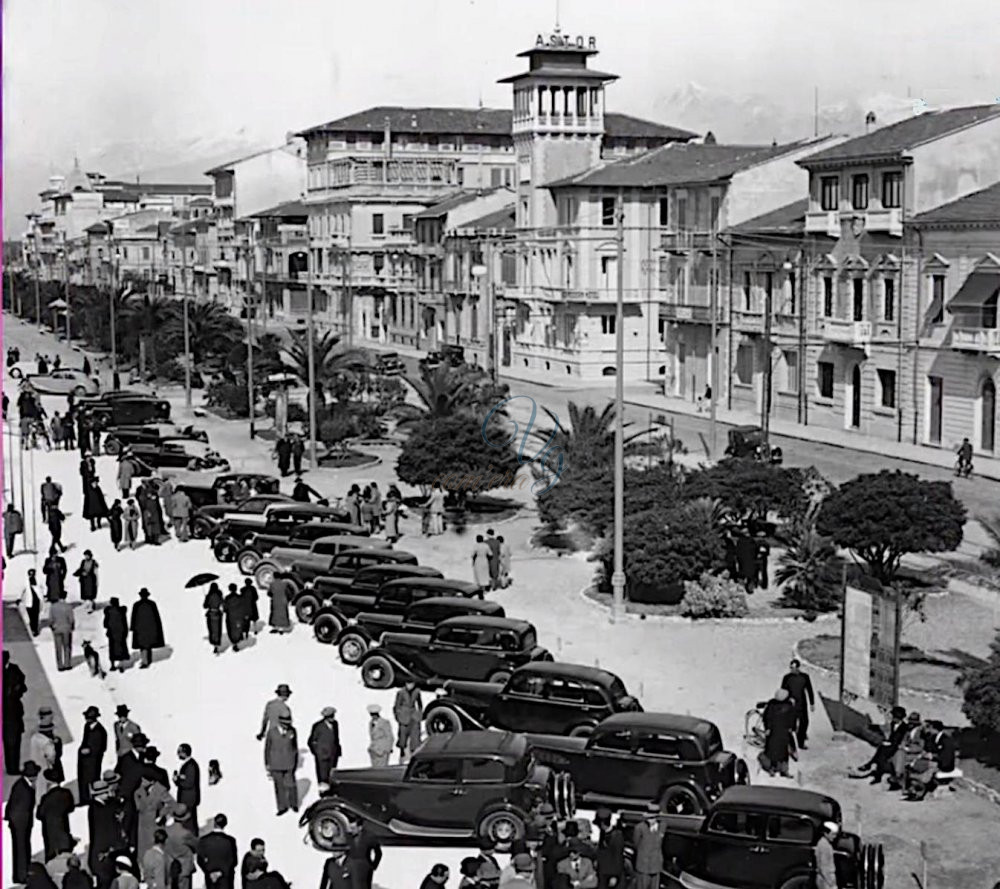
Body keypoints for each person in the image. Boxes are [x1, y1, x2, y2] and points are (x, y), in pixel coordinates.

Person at [87, 774, 127, 883]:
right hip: (103, 851)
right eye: (105, 792)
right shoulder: (98, 810)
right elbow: (103, 832)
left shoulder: (100, 807)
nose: (108, 794)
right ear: (99, 794)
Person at [6, 759, 39, 883]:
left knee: (21, 848)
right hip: (20, 823)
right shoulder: (24, 789)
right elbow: (20, 809)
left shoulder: (21, 784)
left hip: (19, 822)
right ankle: (22, 875)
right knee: (21, 849)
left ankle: (22, 873)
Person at [135, 769, 174, 869]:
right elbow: (137, 802)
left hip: (155, 825)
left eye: (145, 780)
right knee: (143, 850)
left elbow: (171, 803)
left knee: (155, 849)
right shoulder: (139, 790)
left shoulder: (160, 790)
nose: (142, 782)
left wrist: (161, 815)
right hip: (143, 824)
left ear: (152, 781)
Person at [263, 714, 299, 816]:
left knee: (291, 785)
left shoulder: (292, 731)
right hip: (275, 763)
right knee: (279, 787)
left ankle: (293, 804)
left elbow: (295, 747)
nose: (287, 726)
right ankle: (282, 807)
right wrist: (267, 763)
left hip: (289, 762)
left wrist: (295, 760)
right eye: (284, 724)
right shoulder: (272, 732)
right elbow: (267, 748)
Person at [37, 767, 75, 860]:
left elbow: (39, 815)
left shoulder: (46, 798)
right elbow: (71, 808)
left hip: (51, 838)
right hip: (64, 834)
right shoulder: (66, 793)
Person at [760, 688, 798, 777]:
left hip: (777, 731)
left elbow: (767, 718)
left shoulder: (772, 705)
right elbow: (793, 718)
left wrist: (768, 728)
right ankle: (780, 769)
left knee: (775, 751)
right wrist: (792, 728)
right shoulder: (788, 706)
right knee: (779, 751)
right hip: (780, 731)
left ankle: (776, 768)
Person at [780, 659, 815, 750]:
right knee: (792, 724)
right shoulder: (787, 678)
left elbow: (809, 690)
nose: (792, 670)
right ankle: (792, 742)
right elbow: (783, 691)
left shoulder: (805, 677)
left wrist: (812, 703)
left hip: (802, 703)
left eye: (794, 668)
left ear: (798, 668)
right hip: (791, 704)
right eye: (791, 668)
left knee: (804, 722)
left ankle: (801, 741)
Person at [196, 813, 238, 889]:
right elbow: (233, 861)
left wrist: (208, 871)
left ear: (214, 823)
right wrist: (221, 872)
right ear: (225, 824)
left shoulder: (204, 840)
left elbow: (200, 860)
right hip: (226, 878)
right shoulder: (230, 841)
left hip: (210, 877)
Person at [77, 706, 108, 805]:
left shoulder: (101, 731)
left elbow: (102, 748)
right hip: (84, 760)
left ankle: (92, 799)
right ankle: (84, 798)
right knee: (83, 780)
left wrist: (89, 751)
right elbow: (84, 741)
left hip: (93, 761)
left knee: (92, 778)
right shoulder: (87, 727)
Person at [4, 651, 28, 773]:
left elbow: (23, 685)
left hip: (13, 712)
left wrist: (17, 690)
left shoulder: (14, 669)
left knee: (13, 742)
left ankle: (12, 768)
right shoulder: (13, 669)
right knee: (11, 741)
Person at [163, 806, 198, 889]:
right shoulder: (186, 833)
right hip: (184, 867)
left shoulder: (166, 830)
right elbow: (197, 845)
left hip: (169, 865)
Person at [307, 707, 342, 791]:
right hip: (322, 756)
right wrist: (317, 752)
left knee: (332, 775)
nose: (332, 718)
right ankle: (323, 793)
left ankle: (332, 792)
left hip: (333, 754)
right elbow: (311, 741)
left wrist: (338, 750)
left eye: (333, 716)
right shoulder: (318, 726)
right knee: (323, 777)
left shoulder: (335, 724)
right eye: (330, 716)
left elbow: (336, 738)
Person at [345, 812, 382, 889]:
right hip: (351, 867)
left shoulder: (369, 836)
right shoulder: (347, 836)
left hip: (365, 867)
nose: (351, 831)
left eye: (353, 828)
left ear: (360, 827)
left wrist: (373, 866)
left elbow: (378, 853)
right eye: (350, 828)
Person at [130, 588, 165, 668]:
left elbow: (156, 617)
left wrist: (133, 627)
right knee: (146, 646)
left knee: (144, 646)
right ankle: (146, 660)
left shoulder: (138, 605)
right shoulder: (150, 604)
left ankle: (145, 661)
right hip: (146, 629)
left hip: (143, 629)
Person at [30, 710, 60, 798]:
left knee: (38, 789)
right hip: (45, 768)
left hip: (35, 766)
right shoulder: (47, 742)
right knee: (46, 789)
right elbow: (51, 756)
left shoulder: (34, 738)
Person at [593, 808, 624, 889]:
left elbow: (618, 857)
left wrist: (615, 876)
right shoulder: (602, 833)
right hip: (602, 871)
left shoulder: (617, 836)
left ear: (602, 823)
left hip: (611, 873)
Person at [174, 745, 201, 834]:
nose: (177, 754)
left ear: (184, 752)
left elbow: (188, 783)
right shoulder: (189, 764)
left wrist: (177, 781)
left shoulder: (190, 766)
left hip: (188, 799)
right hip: (189, 799)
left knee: (188, 823)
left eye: (179, 752)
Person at [632, 813, 664, 889]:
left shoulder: (662, 827)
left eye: (652, 818)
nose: (650, 820)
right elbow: (636, 844)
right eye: (649, 818)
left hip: (656, 865)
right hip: (643, 865)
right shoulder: (639, 828)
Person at [393, 681, 422, 763]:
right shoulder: (401, 692)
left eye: (412, 684)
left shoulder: (417, 692)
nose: (410, 686)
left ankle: (414, 751)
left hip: (413, 715)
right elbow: (397, 705)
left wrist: (419, 713)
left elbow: (419, 703)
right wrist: (398, 716)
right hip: (404, 715)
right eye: (408, 684)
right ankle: (402, 751)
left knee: (415, 734)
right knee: (402, 735)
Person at [49, 595, 75, 671]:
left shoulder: (53, 607)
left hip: (57, 628)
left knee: (58, 648)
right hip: (66, 629)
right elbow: (71, 619)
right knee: (67, 647)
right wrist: (72, 627)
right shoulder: (68, 607)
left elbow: (50, 619)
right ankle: (67, 664)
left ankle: (60, 665)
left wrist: (52, 627)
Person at [814, 821, 839, 889]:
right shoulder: (824, 846)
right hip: (826, 879)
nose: (834, 837)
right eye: (832, 834)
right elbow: (824, 867)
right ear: (826, 833)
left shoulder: (823, 843)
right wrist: (831, 883)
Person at [223, 584, 246, 652]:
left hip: (230, 616)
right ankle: (238, 639)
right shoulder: (240, 597)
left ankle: (234, 643)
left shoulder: (227, 598)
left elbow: (225, 608)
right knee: (238, 628)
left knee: (231, 630)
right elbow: (243, 607)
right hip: (239, 616)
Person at [204, 583, 224, 654]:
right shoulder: (219, 595)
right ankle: (217, 644)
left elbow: (205, 606)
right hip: (218, 614)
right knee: (218, 629)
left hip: (211, 614)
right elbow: (222, 603)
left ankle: (214, 643)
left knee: (212, 629)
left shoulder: (208, 595)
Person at [21, 568, 43, 636]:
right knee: (31, 617)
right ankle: (32, 628)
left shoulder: (38, 581)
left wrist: (43, 595)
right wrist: (19, 598)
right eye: (30, 574)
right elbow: (21, 590)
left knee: (36, 616)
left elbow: (42, 588)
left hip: (36, 602)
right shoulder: (26, 582)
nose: (31, 575)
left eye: (33, 574)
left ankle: (35, 630)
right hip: (29, 602)